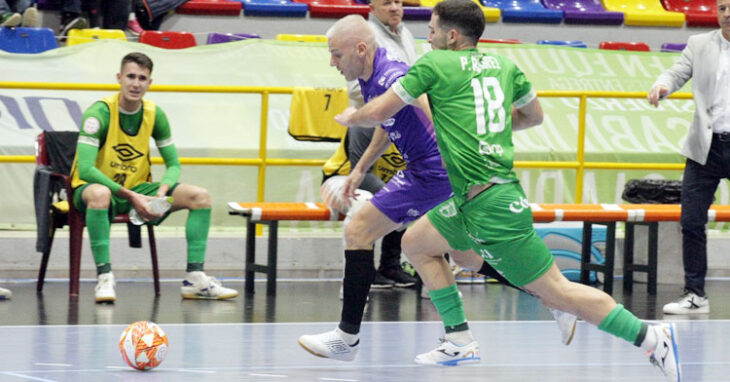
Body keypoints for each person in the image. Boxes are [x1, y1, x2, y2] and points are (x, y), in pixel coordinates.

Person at [334, 1, 680, 380]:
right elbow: (534, 117)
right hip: (471, 199)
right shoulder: (507, 66)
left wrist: (353, 116)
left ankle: (649, 336)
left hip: (492, 204)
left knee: (559, 291)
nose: (427, 38)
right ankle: (459, 339)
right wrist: (487, 132)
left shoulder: (435, 65)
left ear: (452, 36)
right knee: (416, 242)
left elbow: (383, 109)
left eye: (432, 31)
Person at [298, 15, 577, 362]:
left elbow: (424, 103)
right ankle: (553, 300)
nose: (332, 62)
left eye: (336, 54)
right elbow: (388, 120)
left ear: (360, 49)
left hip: (431, 172)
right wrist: (360, 170)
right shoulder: (372, 77)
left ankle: (347, 337)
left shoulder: (392, 74)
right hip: (427, 170)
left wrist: (451, 144)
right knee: (465, 255)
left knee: (358, 230)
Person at [69, 52, 238, 303]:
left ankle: (194, 277)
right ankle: (104, 277)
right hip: (93, 189)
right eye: (131, 76)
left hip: (138, 189)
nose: (136, 83)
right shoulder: (99, 113)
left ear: (150, 83)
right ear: (119, 78)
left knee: (200, 196)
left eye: (142, 78)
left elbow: (173, 164)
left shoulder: (154, 114)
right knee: (101, 194)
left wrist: (162, 191)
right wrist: (130, 195)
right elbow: (85, 169)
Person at [325, 0, 421, 289]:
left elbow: (389, 112)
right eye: (387, 2)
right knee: (366, 219)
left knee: (443, 248)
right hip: (339, 179)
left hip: (434, 170)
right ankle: (352, 316)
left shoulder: (395, 67)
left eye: (336, 56)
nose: (395, 7)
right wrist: (357, 120)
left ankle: (550, 293)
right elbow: (381, 117)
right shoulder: (372, 91)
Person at [647, 0, 730, 316]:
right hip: (704, 147)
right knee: (691, 221)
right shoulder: (699, 44)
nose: (728, 14)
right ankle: (695, 294)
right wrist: (662, 85)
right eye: (722, 7)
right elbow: (677, 71)